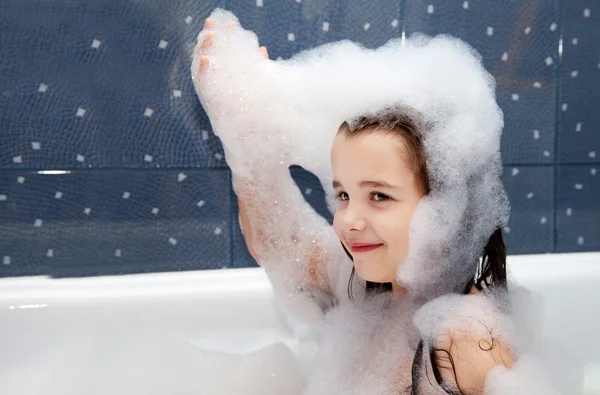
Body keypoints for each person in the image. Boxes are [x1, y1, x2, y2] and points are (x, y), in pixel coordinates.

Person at [192, 12, 558, 395]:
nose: (349, 219)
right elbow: (280, 244)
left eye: (379, 196)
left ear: (444, 206)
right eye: (344, 195)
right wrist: (244, 132)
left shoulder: (465, 343)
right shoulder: (371, 291)